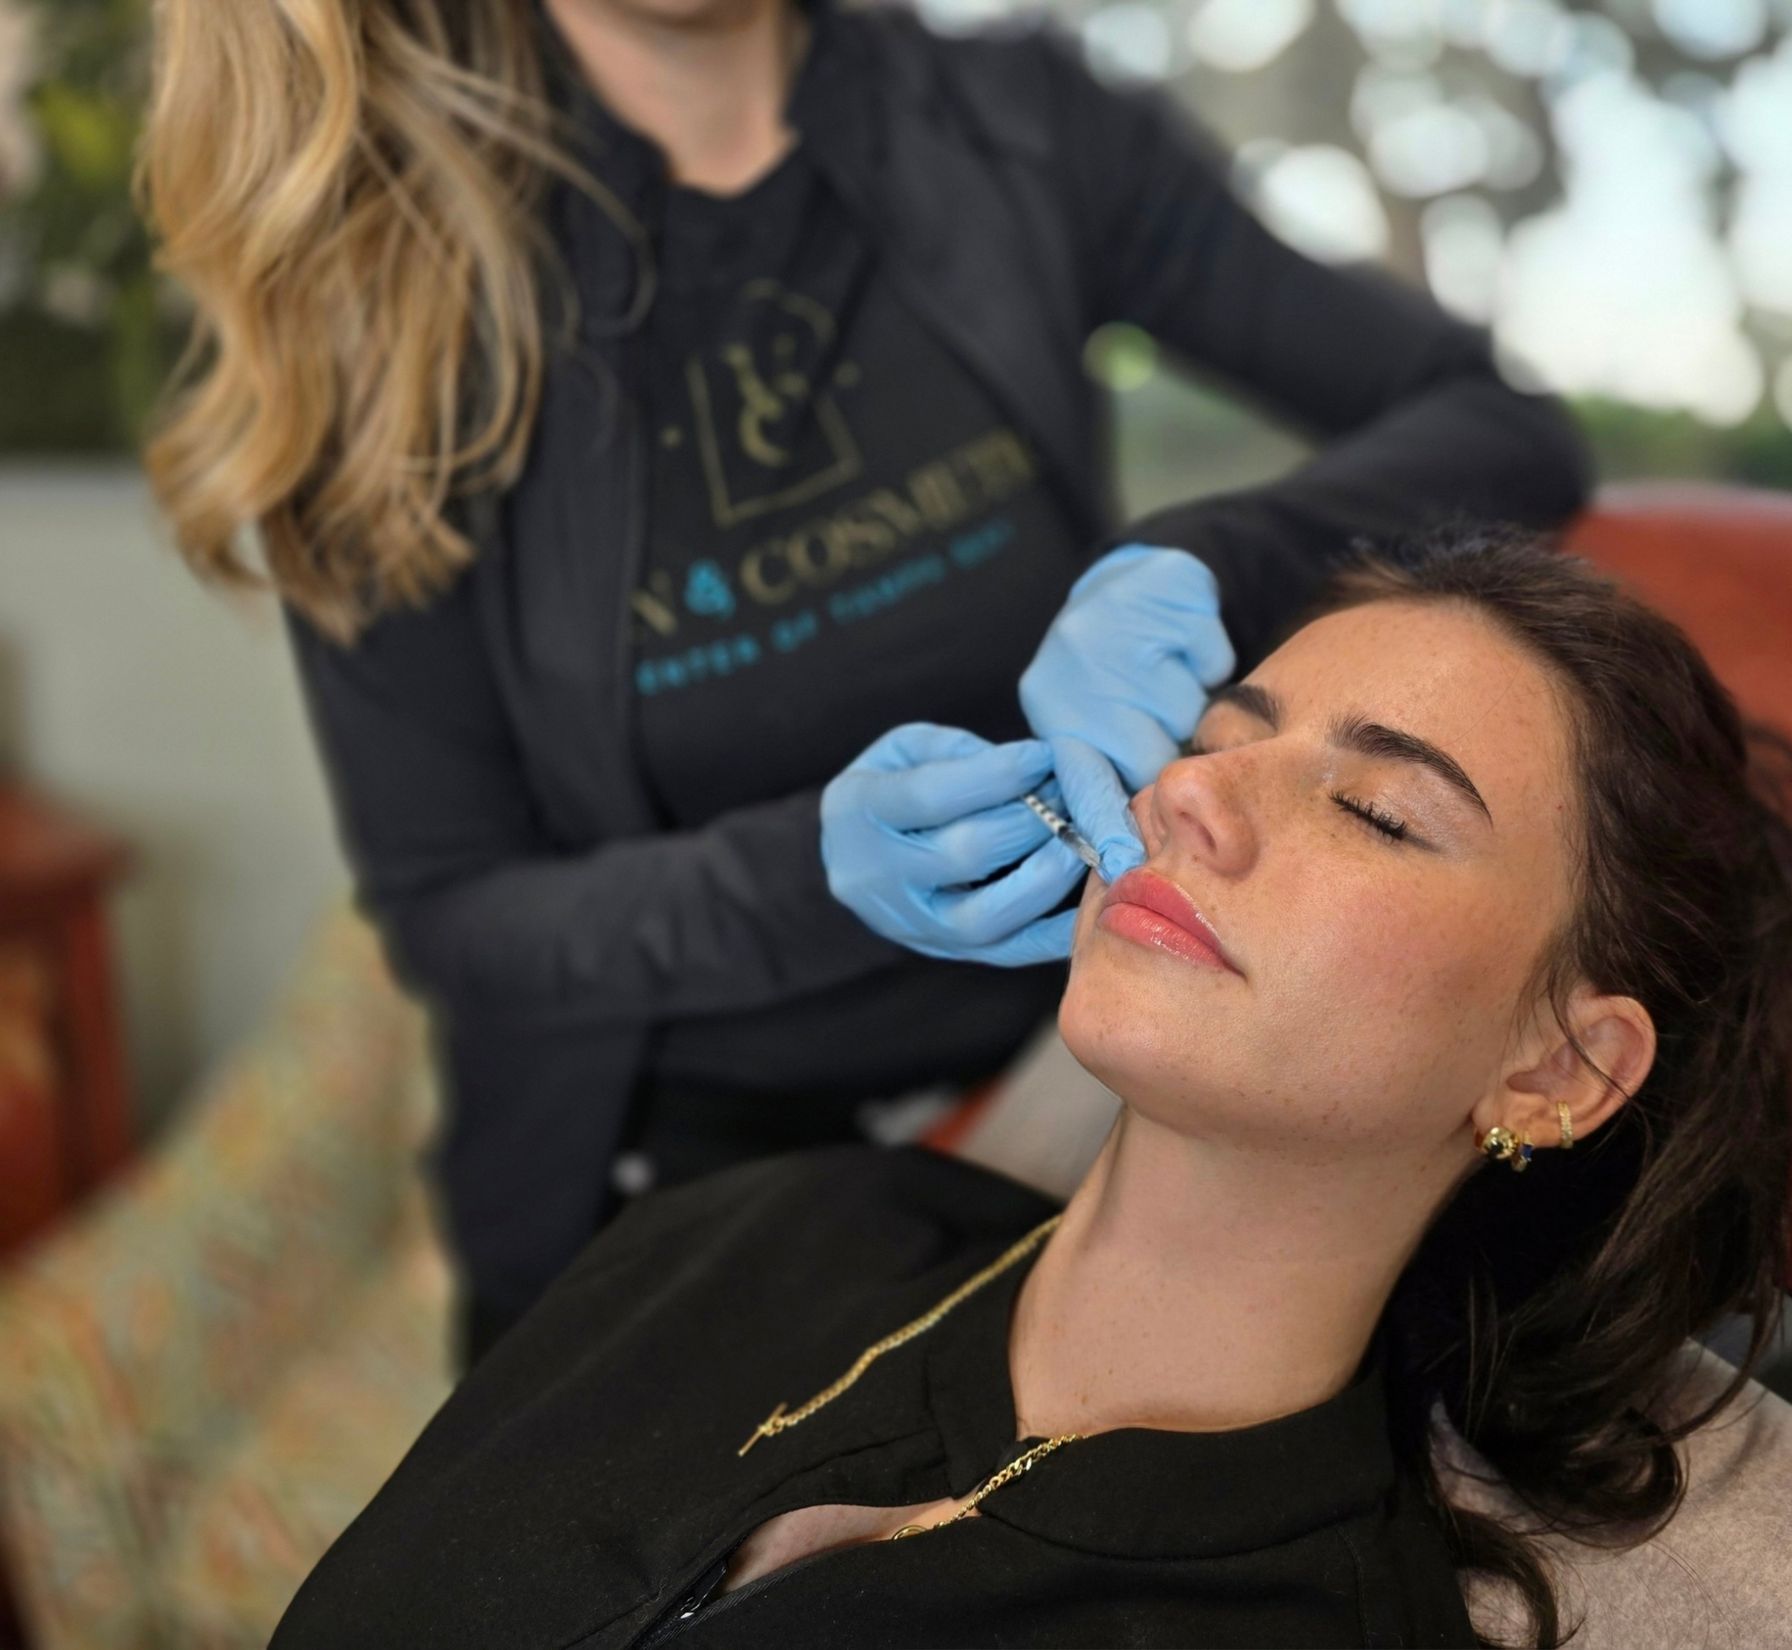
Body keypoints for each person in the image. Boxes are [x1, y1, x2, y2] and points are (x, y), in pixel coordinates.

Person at [137, 0, 1595, 1362]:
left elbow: (1503, 427)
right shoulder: (379, 299)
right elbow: (457, 918)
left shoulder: (1023, 132)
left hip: (1087, 1107)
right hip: (671, 1191)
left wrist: (1204, 555)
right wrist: (809, 878)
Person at [269, 523, 1792, 1649]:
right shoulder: (768, 1219)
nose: (1188, 792)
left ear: (1560, 1064)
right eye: (1216, 734)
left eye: (1373, 809)